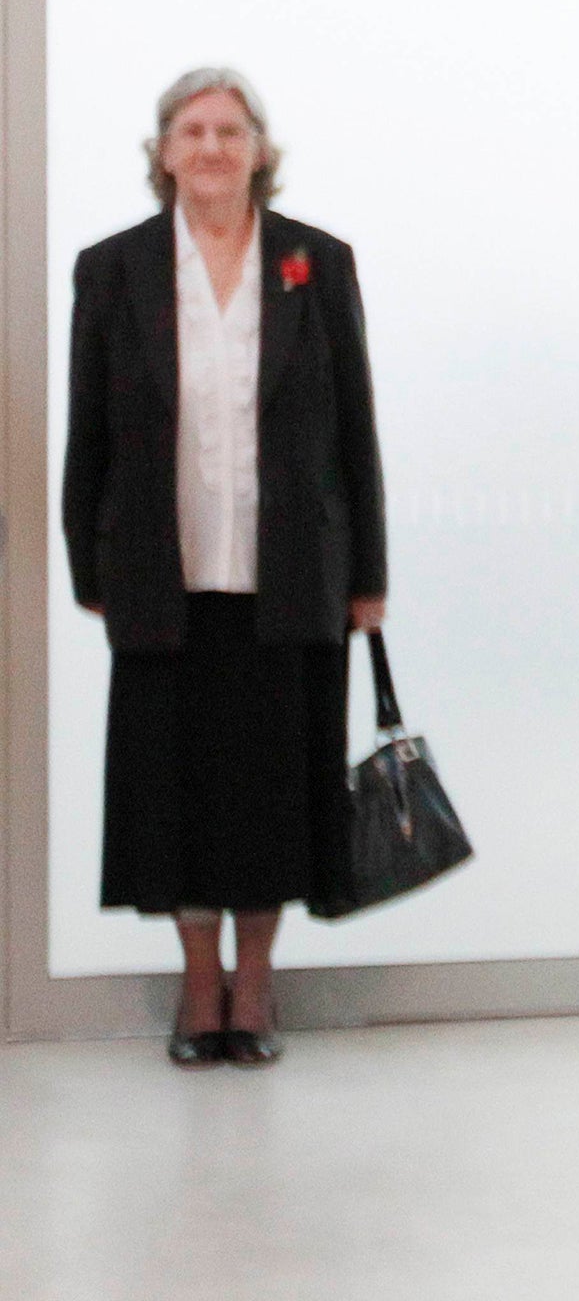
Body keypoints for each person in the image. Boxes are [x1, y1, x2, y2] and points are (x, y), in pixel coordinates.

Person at [62, 67, 387, 1069]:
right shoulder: (113, 268)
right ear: (164, 152)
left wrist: (366, 575)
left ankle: (256, 982)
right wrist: (89, 562)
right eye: (193, 130)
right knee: (171, 788)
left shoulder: (313, 263)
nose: (212, 146)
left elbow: (354, 430)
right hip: (162, 576)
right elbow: (88, 433)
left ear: (258, 149)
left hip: (290, 577)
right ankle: (196, 982)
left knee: (274, 788)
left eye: (230, 130)